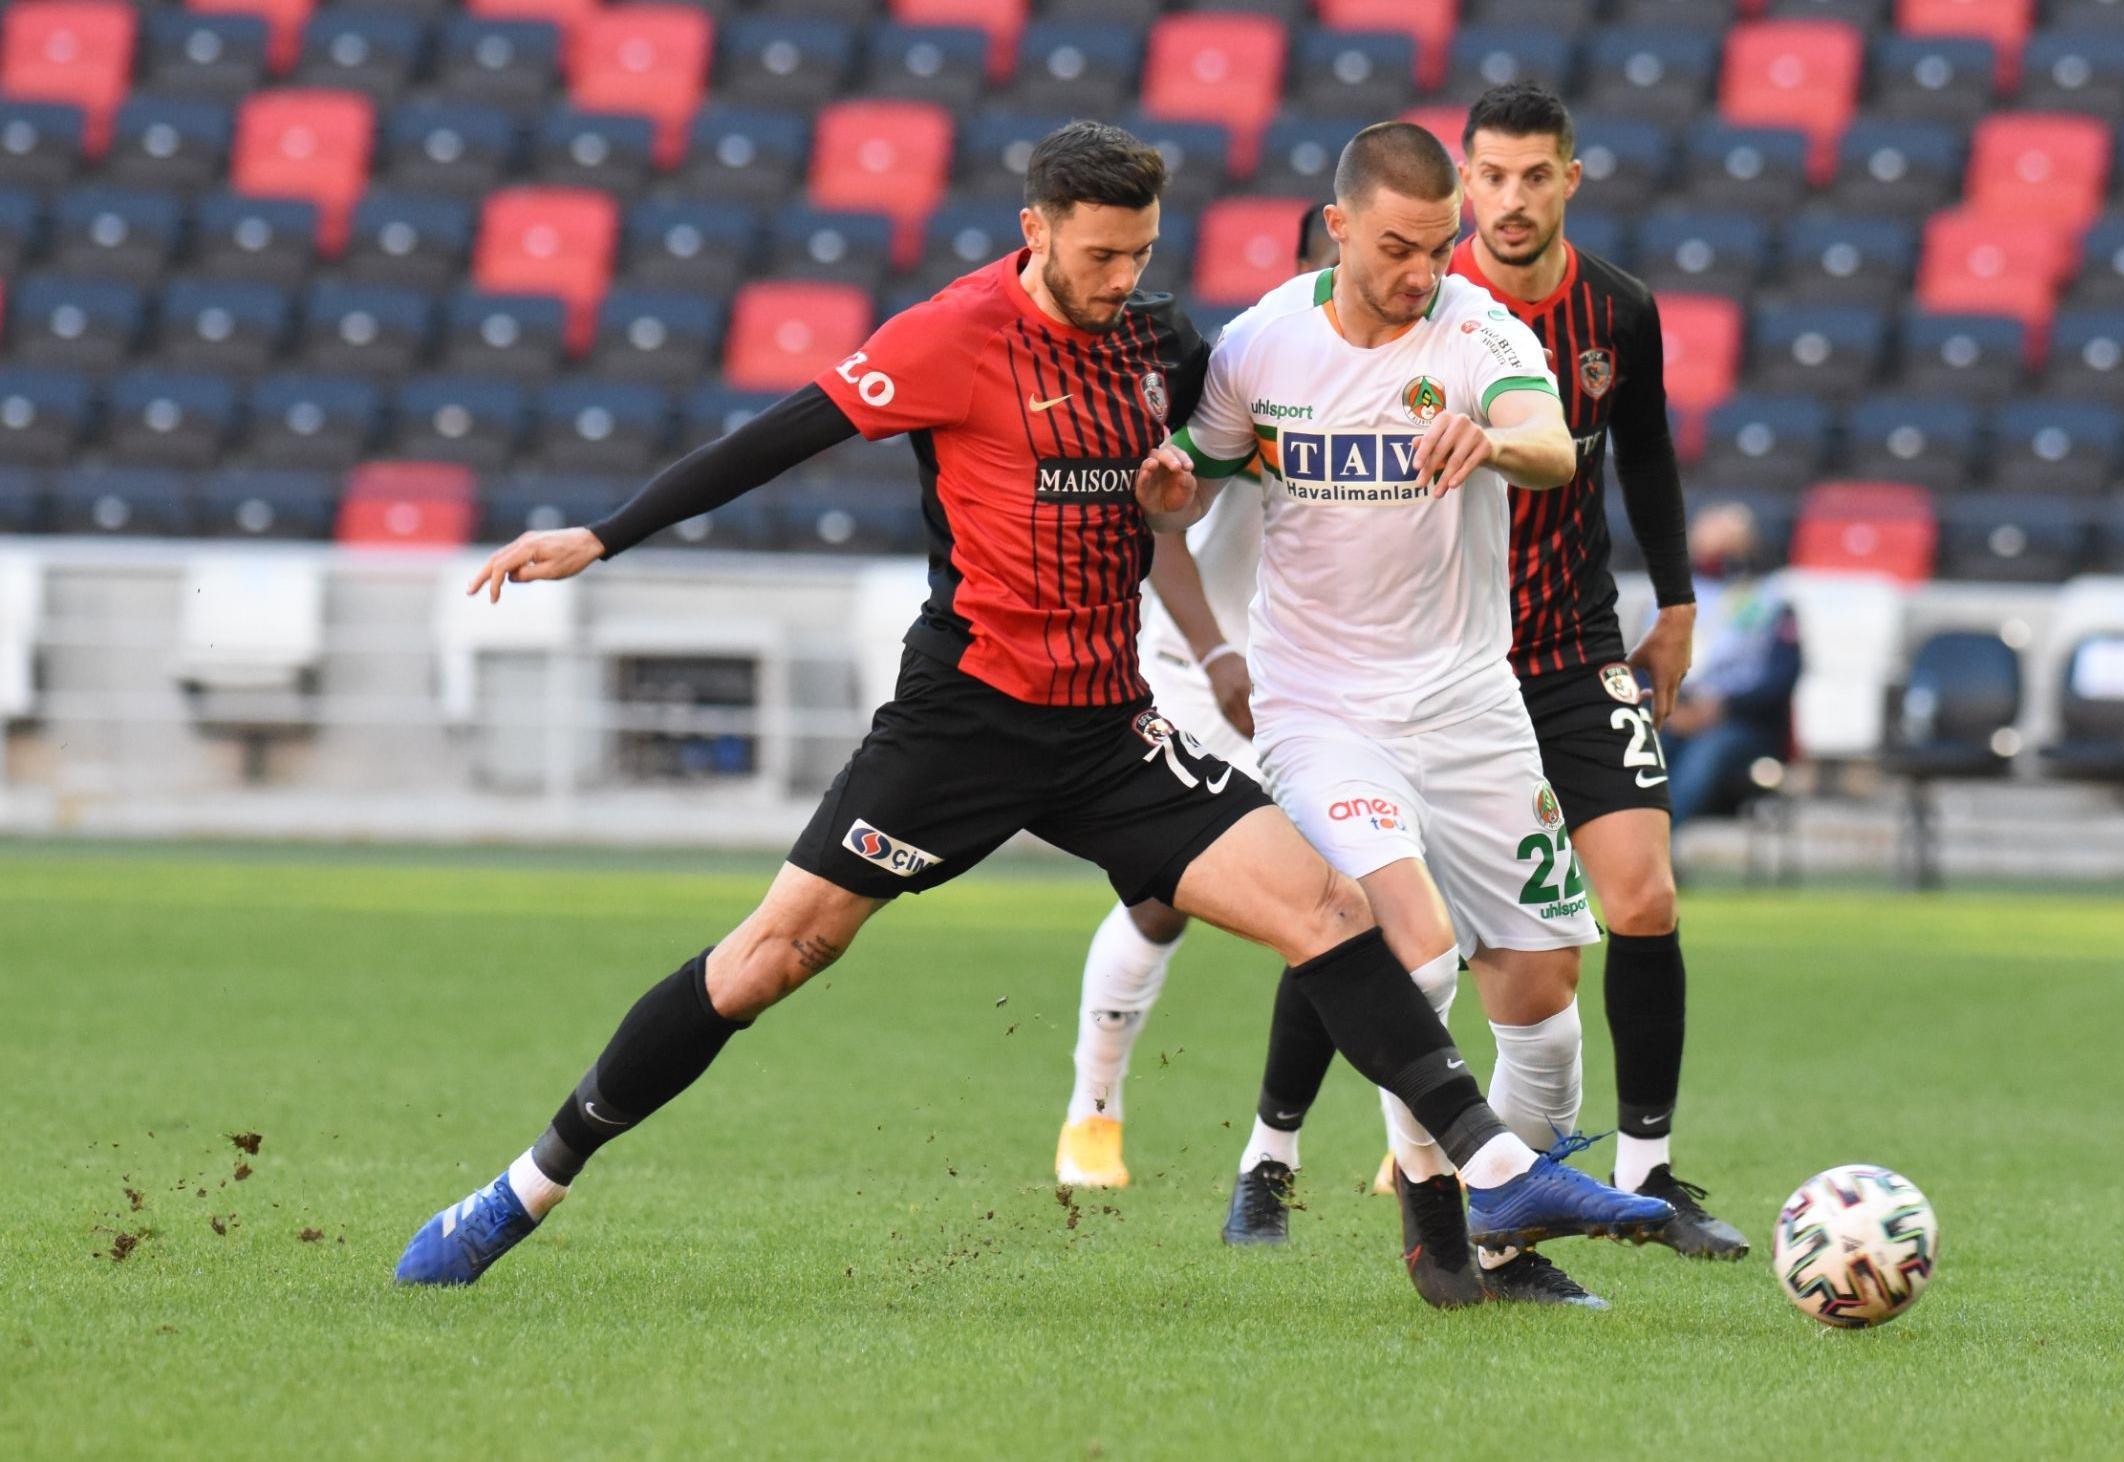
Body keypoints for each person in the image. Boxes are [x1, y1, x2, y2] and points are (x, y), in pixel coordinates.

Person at [392, 123, 1669, 1295]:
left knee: (1329, 910)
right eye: (1101, 255)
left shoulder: (1157, 342)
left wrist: (1191, 494)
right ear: (1037, 231)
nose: (1122, 278)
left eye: (1141, 254)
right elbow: (777, 438)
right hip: (965, 724)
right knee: (774, 957)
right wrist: (605, 538)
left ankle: (1489, 1172)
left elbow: (1216, 463)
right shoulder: (947, 337)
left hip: (1109, 728)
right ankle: (522, 1189)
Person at [1218, 83, 1752, 1265]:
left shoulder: (1569, 319)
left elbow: (1611, 449)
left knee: (1608, 928)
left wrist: (1671, 599)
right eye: (1487, 179)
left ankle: (1621, 1179)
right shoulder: (1282, 339)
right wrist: (1204, 632)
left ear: (1570, 178)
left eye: (1529, 178)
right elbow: (1202, 462)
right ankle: (1305, 1158)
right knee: (1377, 925)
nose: (1504, 205)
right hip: (1363, 680)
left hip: (1544, 654)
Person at [1172, 119, 1648, 1310]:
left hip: (1468, 699)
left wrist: (1491, 438)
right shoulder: (1261, 346)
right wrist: (1169, 491)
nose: (1421, 272)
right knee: (1415, 952)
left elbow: (1552, 445)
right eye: (1396, 248)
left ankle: (1503, 1236)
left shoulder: (1477, 328)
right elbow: (1188, 482)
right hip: (1319, 705)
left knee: (1540, 997)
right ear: (1338, 228)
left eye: (1438, 248)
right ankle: (1436, 1228)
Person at [1053, 204, 1340, 1190]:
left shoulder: (1424, 377)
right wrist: (1219, 654)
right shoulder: (1241, 367)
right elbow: (1161, 525)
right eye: (1334, 261)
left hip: (1329, 680)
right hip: (1202, 666)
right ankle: (1093, 1110)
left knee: (1373, 894)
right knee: (1158, 899)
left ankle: (1409, 1147)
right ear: (1303, 263)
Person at [1661, 503, 1800, 829]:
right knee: (1639, 749)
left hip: (1744, 724)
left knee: (1707, 754)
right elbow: (1643, 666)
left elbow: (1781, 678)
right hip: (1676, 713)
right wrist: (1672, 708)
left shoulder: (1771, 599)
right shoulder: (1674, 595)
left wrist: (1723, 708)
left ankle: (1660, 848)